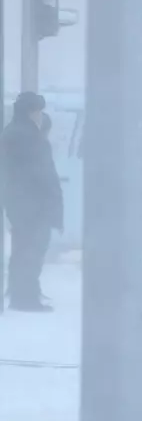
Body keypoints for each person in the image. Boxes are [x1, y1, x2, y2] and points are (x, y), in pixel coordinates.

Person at [1, 93, 63, 312]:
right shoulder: (26, 136)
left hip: (23, 203)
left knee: (24, 248)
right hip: (32, 205)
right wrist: (50, 203)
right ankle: (24, 297)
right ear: (30, 111)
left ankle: (24, 292)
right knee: (31, 249)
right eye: (38, 111)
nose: (40, 115)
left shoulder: (17, 132)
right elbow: (40, 173)